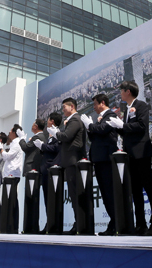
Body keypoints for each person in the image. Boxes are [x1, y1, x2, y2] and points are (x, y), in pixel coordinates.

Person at [113, 80, 152, 236]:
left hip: (142, 153)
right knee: (135, 190)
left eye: (121, 90)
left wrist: (122, 125)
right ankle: (140, 224)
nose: (120, 93)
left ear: (128, 91)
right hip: (130, 154)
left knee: (149, 188)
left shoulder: (141, 105)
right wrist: (117, 126)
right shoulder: (127, 109)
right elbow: (127, 132)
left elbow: (142, 126)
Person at [82, 93, 120, 236]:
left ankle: (116, 223)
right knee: (105, 193)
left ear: (102, 103)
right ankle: (113, 222)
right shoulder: (101, 118)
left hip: (106, 159)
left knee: (109, 192)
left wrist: (90, 124)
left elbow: (102, 130)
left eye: (95, 104)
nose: (94, 107)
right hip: (99, 159)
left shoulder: (110, 115)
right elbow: (93, 136)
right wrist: (90, 127)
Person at [52, 98, 86, 234]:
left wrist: (55, 133)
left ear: (72, 106)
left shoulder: (75, 120)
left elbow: (66, 136)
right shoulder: (72, 120)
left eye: (64, 107)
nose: (63, 110)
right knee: (73, 194)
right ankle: (78, 223)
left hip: (73, 161)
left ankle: (80, 224)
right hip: (69, 161)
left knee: (75, 194)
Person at [33, 111, 62, 232]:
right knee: (47, 198)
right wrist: (42, 148)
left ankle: (54, 224)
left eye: (49, 120)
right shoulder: (50, 135)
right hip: (45, 170)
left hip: (52, 170)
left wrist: (42, 146)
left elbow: (56, 148)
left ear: (52, 121)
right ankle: (49, 222)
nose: (47, 122)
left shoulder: (57, 134)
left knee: (52, 198)